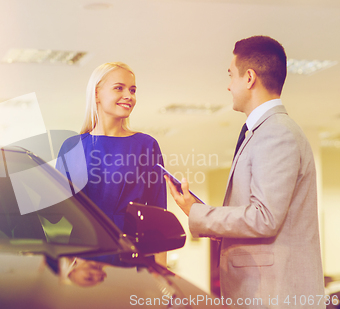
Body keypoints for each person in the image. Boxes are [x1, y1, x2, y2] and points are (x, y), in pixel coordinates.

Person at [165, 36, 324, 308]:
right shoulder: (265, 132)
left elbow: (265, 217)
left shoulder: (276, 133)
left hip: (274, 297)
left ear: (249, 78)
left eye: (231, 75)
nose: (229, 86)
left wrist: (197, 212)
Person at [56, 62, 167, 264]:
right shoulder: (72, 147)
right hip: (83, 260)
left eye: (132, 90)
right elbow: (60, 218)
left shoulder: (146, 145)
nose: (129, 96)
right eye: (119, 88)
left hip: (133, 257)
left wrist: (161, 275)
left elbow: (158, 218)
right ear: (96, 94)